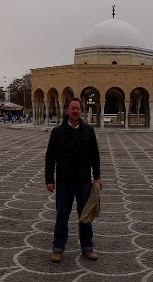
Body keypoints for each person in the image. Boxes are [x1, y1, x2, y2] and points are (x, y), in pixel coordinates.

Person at [44, 98, 102, 263]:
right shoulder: (57, 132)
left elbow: (95, 156)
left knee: (85, 215)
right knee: (62, 216)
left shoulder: (89, 130)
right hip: (65, 181)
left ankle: (87, 247)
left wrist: (97, 177)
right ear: (67, 110)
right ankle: (58, 248)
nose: (75, 111)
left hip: (84, 181)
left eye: (78, 108)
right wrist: (49, 180)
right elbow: (50, 157)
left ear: (81, 110)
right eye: (72, 108)